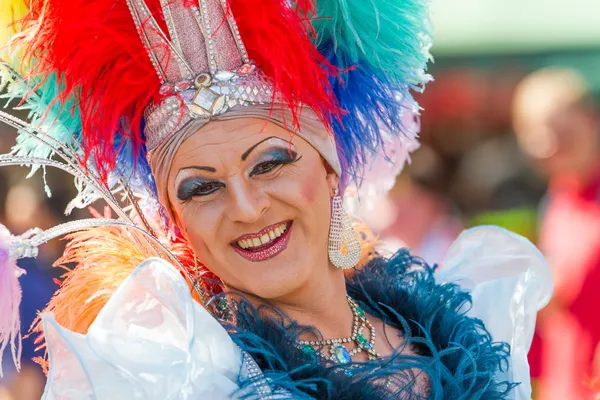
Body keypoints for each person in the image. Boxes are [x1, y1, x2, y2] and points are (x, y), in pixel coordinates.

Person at [0, 0, 551, 398]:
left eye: (270, 163)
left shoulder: (470, 319)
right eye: (202, 187)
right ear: (177, 223)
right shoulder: (182, 378)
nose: (245, 206)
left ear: (331, 172)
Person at [512, 67, 600, 399]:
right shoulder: (557, 198)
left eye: (563, 131)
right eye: (537, 133)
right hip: (562, 383)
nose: (550, 144)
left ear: (591, 120)